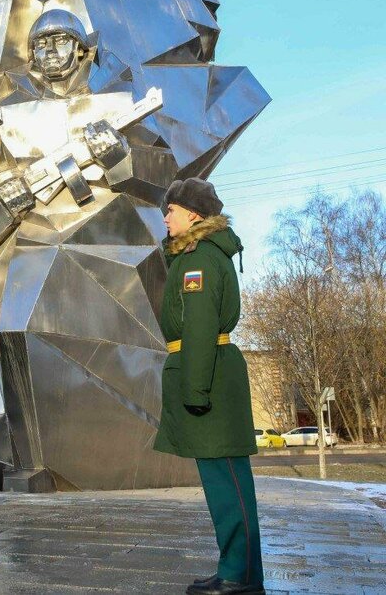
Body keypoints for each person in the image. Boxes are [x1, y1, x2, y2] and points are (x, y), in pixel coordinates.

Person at [152, 178, 263, 595]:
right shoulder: (194, 256)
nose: (166, 218)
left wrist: (194, 390)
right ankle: (236, 570)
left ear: (193, 215)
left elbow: (199, 325)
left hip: (209, 376)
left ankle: (240, 575)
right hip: (207, 371)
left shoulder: (199, 258)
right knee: (223, 483)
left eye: (172, 211)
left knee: (227, 483)